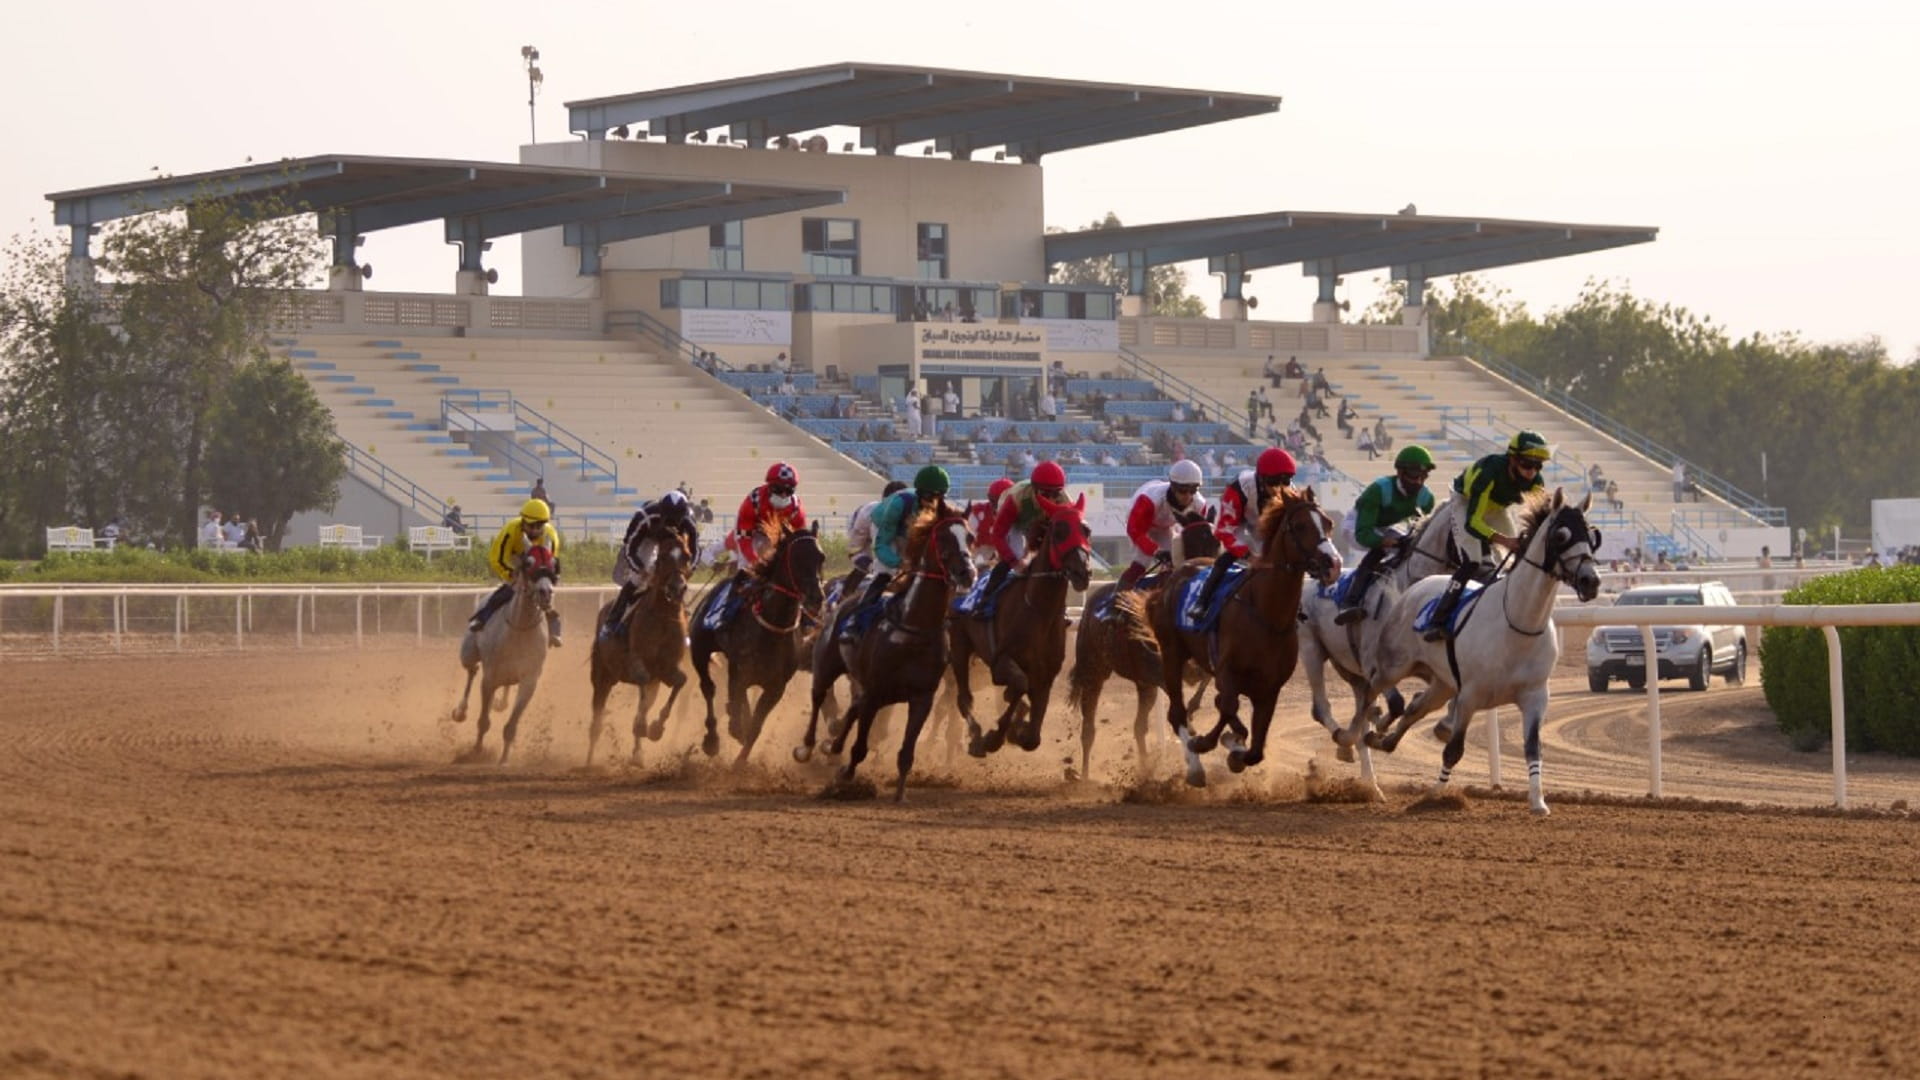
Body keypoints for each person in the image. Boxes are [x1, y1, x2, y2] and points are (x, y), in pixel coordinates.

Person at [1423, 430, 1551, 641]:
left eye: (1538, 466)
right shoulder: (1489, 472)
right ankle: (1437, 619)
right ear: (1513, 459)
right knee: (1472, 560)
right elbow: (1473, 523)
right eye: (1527, 465)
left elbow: (1541, 516)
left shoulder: (1536, 481)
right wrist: (1506, 541)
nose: (1532, 472)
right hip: (1465, 502)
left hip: (1498, 506)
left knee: (1520, 554)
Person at [1188, 448, 1297, 619]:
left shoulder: (1290, 491)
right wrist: (1249, 556)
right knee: (1229, 557)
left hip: (1265, 526)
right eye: (1274, 482)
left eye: (1286, 481)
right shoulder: (1238, 489)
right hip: (1239, 523)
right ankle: (1202, 602)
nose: (1279, 489)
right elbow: (1224, 531)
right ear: (1261, 479)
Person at [1335, 445, 1438, 625]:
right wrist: (1386, 542)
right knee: (1380, 550)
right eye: (1414, 476)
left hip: (1388, 525)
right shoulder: (1378, 490)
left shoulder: (1426, 499)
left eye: (1423, 476)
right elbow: (1364, 534)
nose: (1419, 482)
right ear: (1400, 472)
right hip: (1358, 525)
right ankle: (1350, 601)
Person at [600, 490, 700, 639]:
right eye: (669, 519)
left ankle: (686, 624)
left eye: (676, 519)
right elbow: (630, 546)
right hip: (647, 540)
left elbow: (696, 551)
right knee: (637, 580)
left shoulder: (689, 522)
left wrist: (689, 569)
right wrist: (639, 568)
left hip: (674, 544)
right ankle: (612, 622)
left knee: (680, 582)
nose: (672, 524)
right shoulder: (645, 516)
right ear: (662, 512)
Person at [468, 498, 564, 645]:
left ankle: (554, 627)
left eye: (539, 526)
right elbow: (497, 558)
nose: (535, 530)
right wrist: (512, 575)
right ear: (523, 522)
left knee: (545, 592)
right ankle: (482, 618)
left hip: (536, 570)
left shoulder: (550, 535)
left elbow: (551, 564)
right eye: (531, 526)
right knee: (508, 591)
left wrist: (546, 581)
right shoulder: (511, 530)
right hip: (513, 562)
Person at [858, 466, 953, 608]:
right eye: (929, 497)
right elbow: (881, 545)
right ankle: (859, 617)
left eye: (939, 498)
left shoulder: (942, 510)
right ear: (919, 493)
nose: (933, 504)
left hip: (909, 533)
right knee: (885, 572)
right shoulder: (899, 504)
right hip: (886, 529)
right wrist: (899, 562)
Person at [1118, 459, 1209, 591]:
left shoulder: (1199, 504)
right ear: (1173, 487)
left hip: (1165, 527)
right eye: (1183, 491)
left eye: (1193, 490)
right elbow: (1134, 531)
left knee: (1175, 562)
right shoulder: (1150, 499)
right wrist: (1155, 550)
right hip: (1140, 526)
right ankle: (1115, 600)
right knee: (1142, 562)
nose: (1188, 496)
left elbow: (1196, 537)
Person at [982, 461, 1070, 597]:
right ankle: (985, 601)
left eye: (1056, 493)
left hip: (1039, 522)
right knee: (1017, 560)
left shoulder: (1064, 500)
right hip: (1015, 522)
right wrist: (1013, 562)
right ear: (1034, 488)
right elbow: (997, 535)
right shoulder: (1017, 497)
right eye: (1046, 493)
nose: (1051, 500)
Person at [727, 462, 809, 569]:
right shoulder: (753, 501)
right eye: (778, 489)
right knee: (745, 564)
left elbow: (800, 542)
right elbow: (744, 538)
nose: (783, 495)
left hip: (776, 537)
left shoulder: (796, 509)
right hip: (752, 534)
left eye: (789, 490)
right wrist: (755, 561)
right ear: (769, 486)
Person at [843, 480, 907, 597]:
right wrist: (871, 566)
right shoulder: (870, 514)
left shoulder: (914, 512)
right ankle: (848, 599)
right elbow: (854, 551)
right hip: (863, 536)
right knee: (878, 572)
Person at [968, 477, 1015, 563]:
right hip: (979, 559)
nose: (996, 505)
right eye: (992, 500)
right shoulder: (977, 514)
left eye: (1000, 501)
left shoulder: (1018, 515)